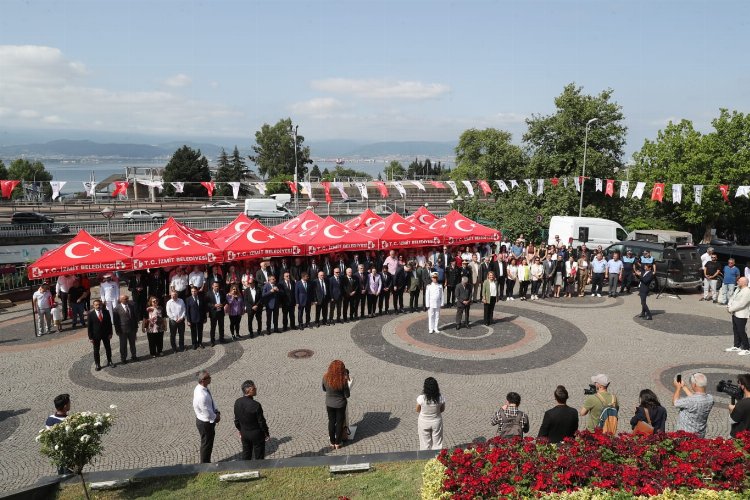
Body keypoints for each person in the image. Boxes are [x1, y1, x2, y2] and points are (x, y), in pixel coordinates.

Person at [233, 380, 270, 460]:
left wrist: (240, 430)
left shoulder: (237, 402)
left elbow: (236, 420)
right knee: (259, 456)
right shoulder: (256, 405)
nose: (256, 388)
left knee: (246, 454)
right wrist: (266, 433)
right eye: (254, 388)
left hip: (244, 433)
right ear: (249, 390)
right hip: (256, 435)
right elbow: (261, 422)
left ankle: (245, 470)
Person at [673, 372, 714, 437]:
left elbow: (675, 403)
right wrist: (684, 387)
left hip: (686, 435)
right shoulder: (710, 398)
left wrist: (678, 388)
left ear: (694, 385)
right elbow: (696, 399)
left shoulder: (690, 401)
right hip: (700, 434)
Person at [322, 360, 350, 450]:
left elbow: (324, 389)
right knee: (339, 423)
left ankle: (332, 442)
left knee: (331, 421)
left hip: (329, 403)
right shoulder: (343, 380)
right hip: (340, 405)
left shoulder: (325, 377)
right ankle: (338, 443)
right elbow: (347, 395)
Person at [193, 370, 220, 463]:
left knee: (207, 442)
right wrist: (216, 417)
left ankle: (206, 461)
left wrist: (216, 410)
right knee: (207, 444)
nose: (211, 378)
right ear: (203, 380)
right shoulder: (202, 396)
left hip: (203, 420)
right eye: (209, 377)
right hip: (205, 423)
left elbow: (211, 402)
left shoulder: (200, 388)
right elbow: (207, 412)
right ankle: (205, 463)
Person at [45, 393, 72, 474]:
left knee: (61, 473)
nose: (70, 404)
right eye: (69, 403)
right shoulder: (68, 421)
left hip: (57, 454)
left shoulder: (50, 419)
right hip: (68, 453)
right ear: (65, 406)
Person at [416, 377, 445, 450]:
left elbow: (417, 409)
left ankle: (425, 458)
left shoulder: (421, 398)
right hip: (436, 421)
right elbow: (442, 409)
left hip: (423, 422)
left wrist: (425, 413)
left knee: (424, 444)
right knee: (437, 443)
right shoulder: (440, 398)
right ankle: (437, 458)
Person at [87, 299, 114, 371]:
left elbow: (109, 324)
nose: (98, 306)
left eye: (99, 304)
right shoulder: (90, 314)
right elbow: (89, 327)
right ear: (93, 306)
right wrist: (90, 337)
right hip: (96, 336)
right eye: (96, 305)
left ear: (101, 305)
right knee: (96, 350)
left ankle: (110, 361)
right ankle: (97, 364)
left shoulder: (106, 312)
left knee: (108, 348)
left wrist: (110, 333)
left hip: (106, 334)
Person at [112, 294, 138, 364]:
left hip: (132, 329)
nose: (127, 300)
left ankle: (134, 356)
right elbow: (116, 321)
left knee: (133, 344)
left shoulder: (131, 306)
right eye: (125, 299)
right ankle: (123, 358)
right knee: (123, 345)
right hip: (122, 330)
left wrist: (136, 328)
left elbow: (135, 318)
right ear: (120, 300)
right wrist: (117, 330)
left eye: (127, 298)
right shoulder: (116, 309)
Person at [727, 277, 750, 355]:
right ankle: (737, 345)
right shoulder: (738, 289)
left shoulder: (747, 291)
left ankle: (747, 348)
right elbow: (732, 298)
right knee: (735, 330)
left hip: (741, 314)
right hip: (734, 312)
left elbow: (742, 304)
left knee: (741, 331)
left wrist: (731, 309)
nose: (737, 282)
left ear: (744, 282)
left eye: (739, 281)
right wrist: (729, 305)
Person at [206, 281, 226, 346]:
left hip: (220, 312)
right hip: (213, 313)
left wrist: (222, 304)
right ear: (212, 286)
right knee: (213, 328)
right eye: (215, 286)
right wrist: (214, 305)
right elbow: (207, 303)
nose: (217, 287)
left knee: (221, 326)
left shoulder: (222, 292)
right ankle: (212, 341)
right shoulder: (208, 293)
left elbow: (225, 301)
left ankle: (222, 338)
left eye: (218, 286)